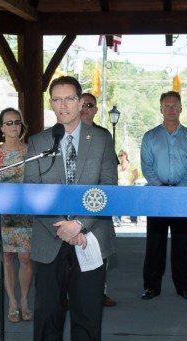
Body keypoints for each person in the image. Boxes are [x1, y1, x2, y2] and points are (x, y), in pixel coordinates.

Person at [23, 76, 117, 341]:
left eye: (68, 99)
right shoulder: (37, 142)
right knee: (48, 316)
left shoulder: (102, 139)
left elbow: (108, 189)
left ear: (81, 102)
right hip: (50, 243)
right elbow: (32, 193)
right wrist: (61, 228)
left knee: (86, 317)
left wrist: (80, 225)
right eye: (56, 100)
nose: (62, 106)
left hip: (90, 241)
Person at [140, 91, 187, 301]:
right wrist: (160, 188)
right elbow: (146, 167)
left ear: (181, 108)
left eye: (174, 105)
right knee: (154, 243)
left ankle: (184, 286)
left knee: (183, 243)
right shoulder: (150, 137)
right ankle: (151, 286)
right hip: (157, 196)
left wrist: (180, 188)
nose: (171, 109)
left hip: (183, 196)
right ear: (160, 109)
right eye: (166, 106)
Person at [0, 108, 33, 323]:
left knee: (26, 258)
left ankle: (25, 300)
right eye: (8, 123)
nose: (13, 126)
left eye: (17, 122)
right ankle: (12, 302)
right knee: (7, 257)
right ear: (1, 128)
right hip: (1, 213)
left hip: (25, 212)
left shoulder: (31, 151)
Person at [80, 92, 118, 307]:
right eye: (82, 104)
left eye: (90, 105)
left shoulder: (103, 136)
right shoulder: (62, 134)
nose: (85, 108)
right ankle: (68, 295)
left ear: (95, 110)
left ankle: (100, 292)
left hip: (97, 202)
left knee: (100, 250)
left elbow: (110, 175)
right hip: (70, 206)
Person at [117, 149, 139, 225]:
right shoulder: (118, 167)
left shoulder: (131, 165)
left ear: (126, 155)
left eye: (121, 155)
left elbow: (136, 176)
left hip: (130, 187)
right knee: (119, 204)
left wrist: (131, 184)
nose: (120, 157)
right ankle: (118, 220)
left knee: (131, 204)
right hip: (120, 188)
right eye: (119, 155)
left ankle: (133, 220)